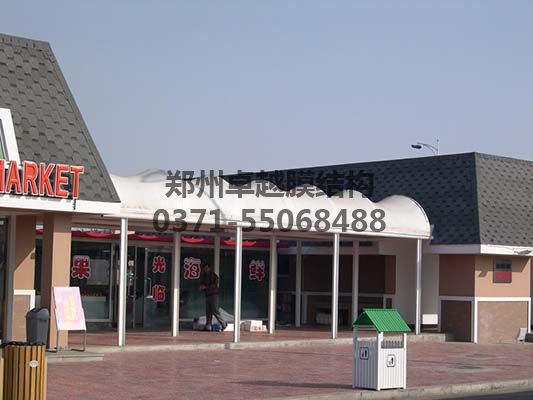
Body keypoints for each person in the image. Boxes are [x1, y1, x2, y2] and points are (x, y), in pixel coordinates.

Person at [199, 263, 227, 331]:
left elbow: (215, 285)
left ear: (209, 268)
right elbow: (202, 283)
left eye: (207, 268)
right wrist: (201, 286)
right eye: (204, 268)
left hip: (214, 295)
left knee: (214, 310)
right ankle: (208, 326)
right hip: (207, 295)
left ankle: (223, 323)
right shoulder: (204, 276)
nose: (205, 270)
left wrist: (206, 287)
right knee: (208, 311)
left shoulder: (213, 275)